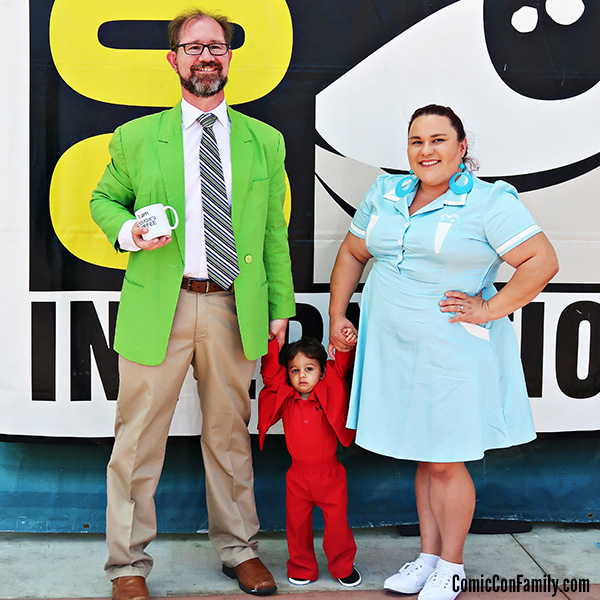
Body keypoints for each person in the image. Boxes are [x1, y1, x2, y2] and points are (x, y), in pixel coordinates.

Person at [90, 8, 295, 600]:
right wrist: (128, 232)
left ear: (229, 56)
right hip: (163, 305)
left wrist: (279, 303)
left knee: (230, 434)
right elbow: (106, 199)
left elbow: (274, 234)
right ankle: (126, 564)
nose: (207, 56)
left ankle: (239, 550)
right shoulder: (136, 138)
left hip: (236, 306)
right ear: (174, 59)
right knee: (136, 441)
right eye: (193, 46)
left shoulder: (266, 141)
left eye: (217, 45)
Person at [328, 104, 558, 600]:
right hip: (393, 349)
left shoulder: (489, 201)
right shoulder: (386, 193)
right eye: (416, 141)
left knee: (446, 460)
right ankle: (428, 558)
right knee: (425, 454)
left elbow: (542, 261)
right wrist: (338, 314)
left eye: (437, 140)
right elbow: (352, 251)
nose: (425, 150)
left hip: (451, 352)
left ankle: (451, 566)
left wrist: (489, 308)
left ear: (461, 147)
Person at [257, 333, 361, 588]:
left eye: (309, 368)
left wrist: (345, 344)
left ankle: (343, 566)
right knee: (296, 525)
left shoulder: (329, 388)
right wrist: (272, 344)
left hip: (330, 474)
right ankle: (302, 567)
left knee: (337, 525)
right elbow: (270, 377)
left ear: (322, 371)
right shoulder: (286, 398)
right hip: (297, 476)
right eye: (295, 370)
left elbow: (341, 367)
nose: (302, 375)